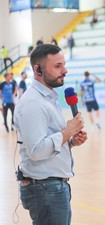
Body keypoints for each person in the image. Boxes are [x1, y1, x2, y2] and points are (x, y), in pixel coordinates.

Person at [14, 44, 87, 224]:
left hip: (52, 187)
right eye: (57, 66)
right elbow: (36, 150)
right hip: (44, 188)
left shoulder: (48, 98)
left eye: (64, 64)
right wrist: (68, 131)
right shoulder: (33, 103)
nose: (65, 70)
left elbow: (48, 140)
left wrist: (70, 141)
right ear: (37, 69)